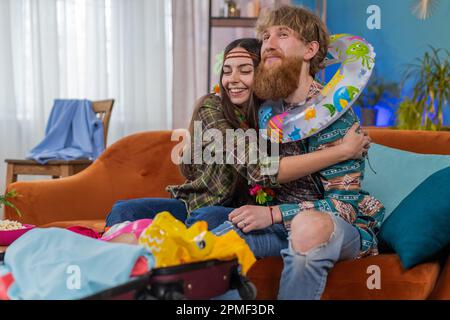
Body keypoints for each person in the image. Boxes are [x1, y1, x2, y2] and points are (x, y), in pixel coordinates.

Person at [105, 37, 370, 232]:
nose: (232, 79)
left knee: (207, 220)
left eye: (245, 71)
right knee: (123, 210)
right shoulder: (212, 107)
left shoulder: (280, 117)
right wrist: (343, 151)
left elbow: (315, 127)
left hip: (242, 212)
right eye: (227, 70)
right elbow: (259, 170)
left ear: (264, 75)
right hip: (196, 204)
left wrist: (347, 144)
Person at [211, 5, 385, 300]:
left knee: (307, 226)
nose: (268, 44)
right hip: (280, 224)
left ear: (310, 50)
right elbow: (262, 169)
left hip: (335, 226)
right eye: (265, 37)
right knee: (207, 247)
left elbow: (344, 206)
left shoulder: (335, 114)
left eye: (283, 34)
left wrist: (273, 214)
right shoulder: (268, 111)